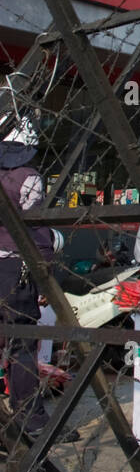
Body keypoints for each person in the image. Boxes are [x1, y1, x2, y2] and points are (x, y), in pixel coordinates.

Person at [0, 111, 75, 443]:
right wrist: (46, 277)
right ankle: (30, 418)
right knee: (22, 344)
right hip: (17, 268)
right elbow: (37, 233)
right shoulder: (28, 177)